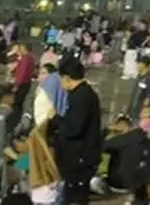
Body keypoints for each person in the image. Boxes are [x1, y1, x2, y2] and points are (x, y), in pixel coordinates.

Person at [53, 58, 102, 205]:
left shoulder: (80, 97)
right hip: (83, 155)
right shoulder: (84, 93)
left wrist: (56, 120)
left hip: (79, 157)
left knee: (75, 196)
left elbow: (73, 129)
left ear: (67, 78)